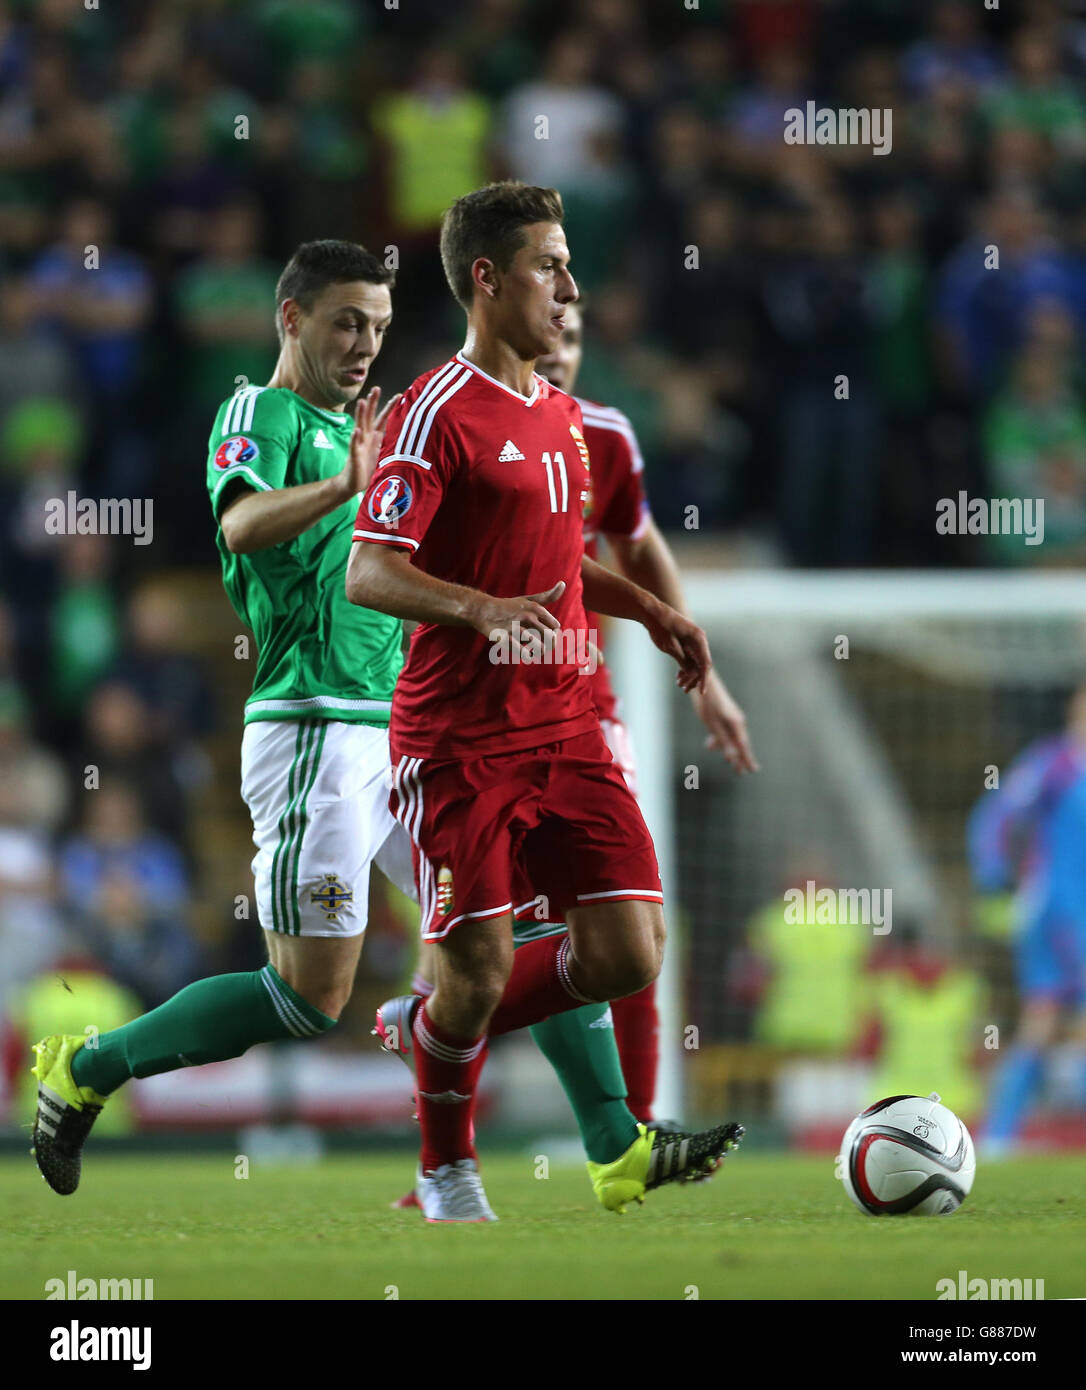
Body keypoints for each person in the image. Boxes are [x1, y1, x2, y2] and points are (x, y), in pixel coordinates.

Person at [347, 181, 745, 1222]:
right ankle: (447, 1171)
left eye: (569, 264)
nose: (570, 285)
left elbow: (564, 569)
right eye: (548, 266)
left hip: (567, 726)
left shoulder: (562, 413)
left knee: (627, 951)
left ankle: (422, 1025)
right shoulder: (434, 412)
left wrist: (657, 615)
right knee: (475, 974)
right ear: (487, 279)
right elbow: (370, 571)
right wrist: (478, 608)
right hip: (461, 741)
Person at [31, 240, 414, 1195]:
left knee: (513, 911)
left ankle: (606, 1143)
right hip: (314, 730)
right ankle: (88, 1070)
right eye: (346, 322)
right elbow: (239, 525)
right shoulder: (261, 412)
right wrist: (345, 486)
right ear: (292, 318)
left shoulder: (372, 431)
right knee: (305, 999)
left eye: (378, 326)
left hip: (405, 726)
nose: (365, 343)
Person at [967, 685, 1086, 1153]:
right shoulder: (1053, 763)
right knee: (1049, 1017)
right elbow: (996, 813)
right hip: (1057, 908)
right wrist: (993, 871)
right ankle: (1002, 1131)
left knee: (1043, 1020)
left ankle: (1000, 1133)